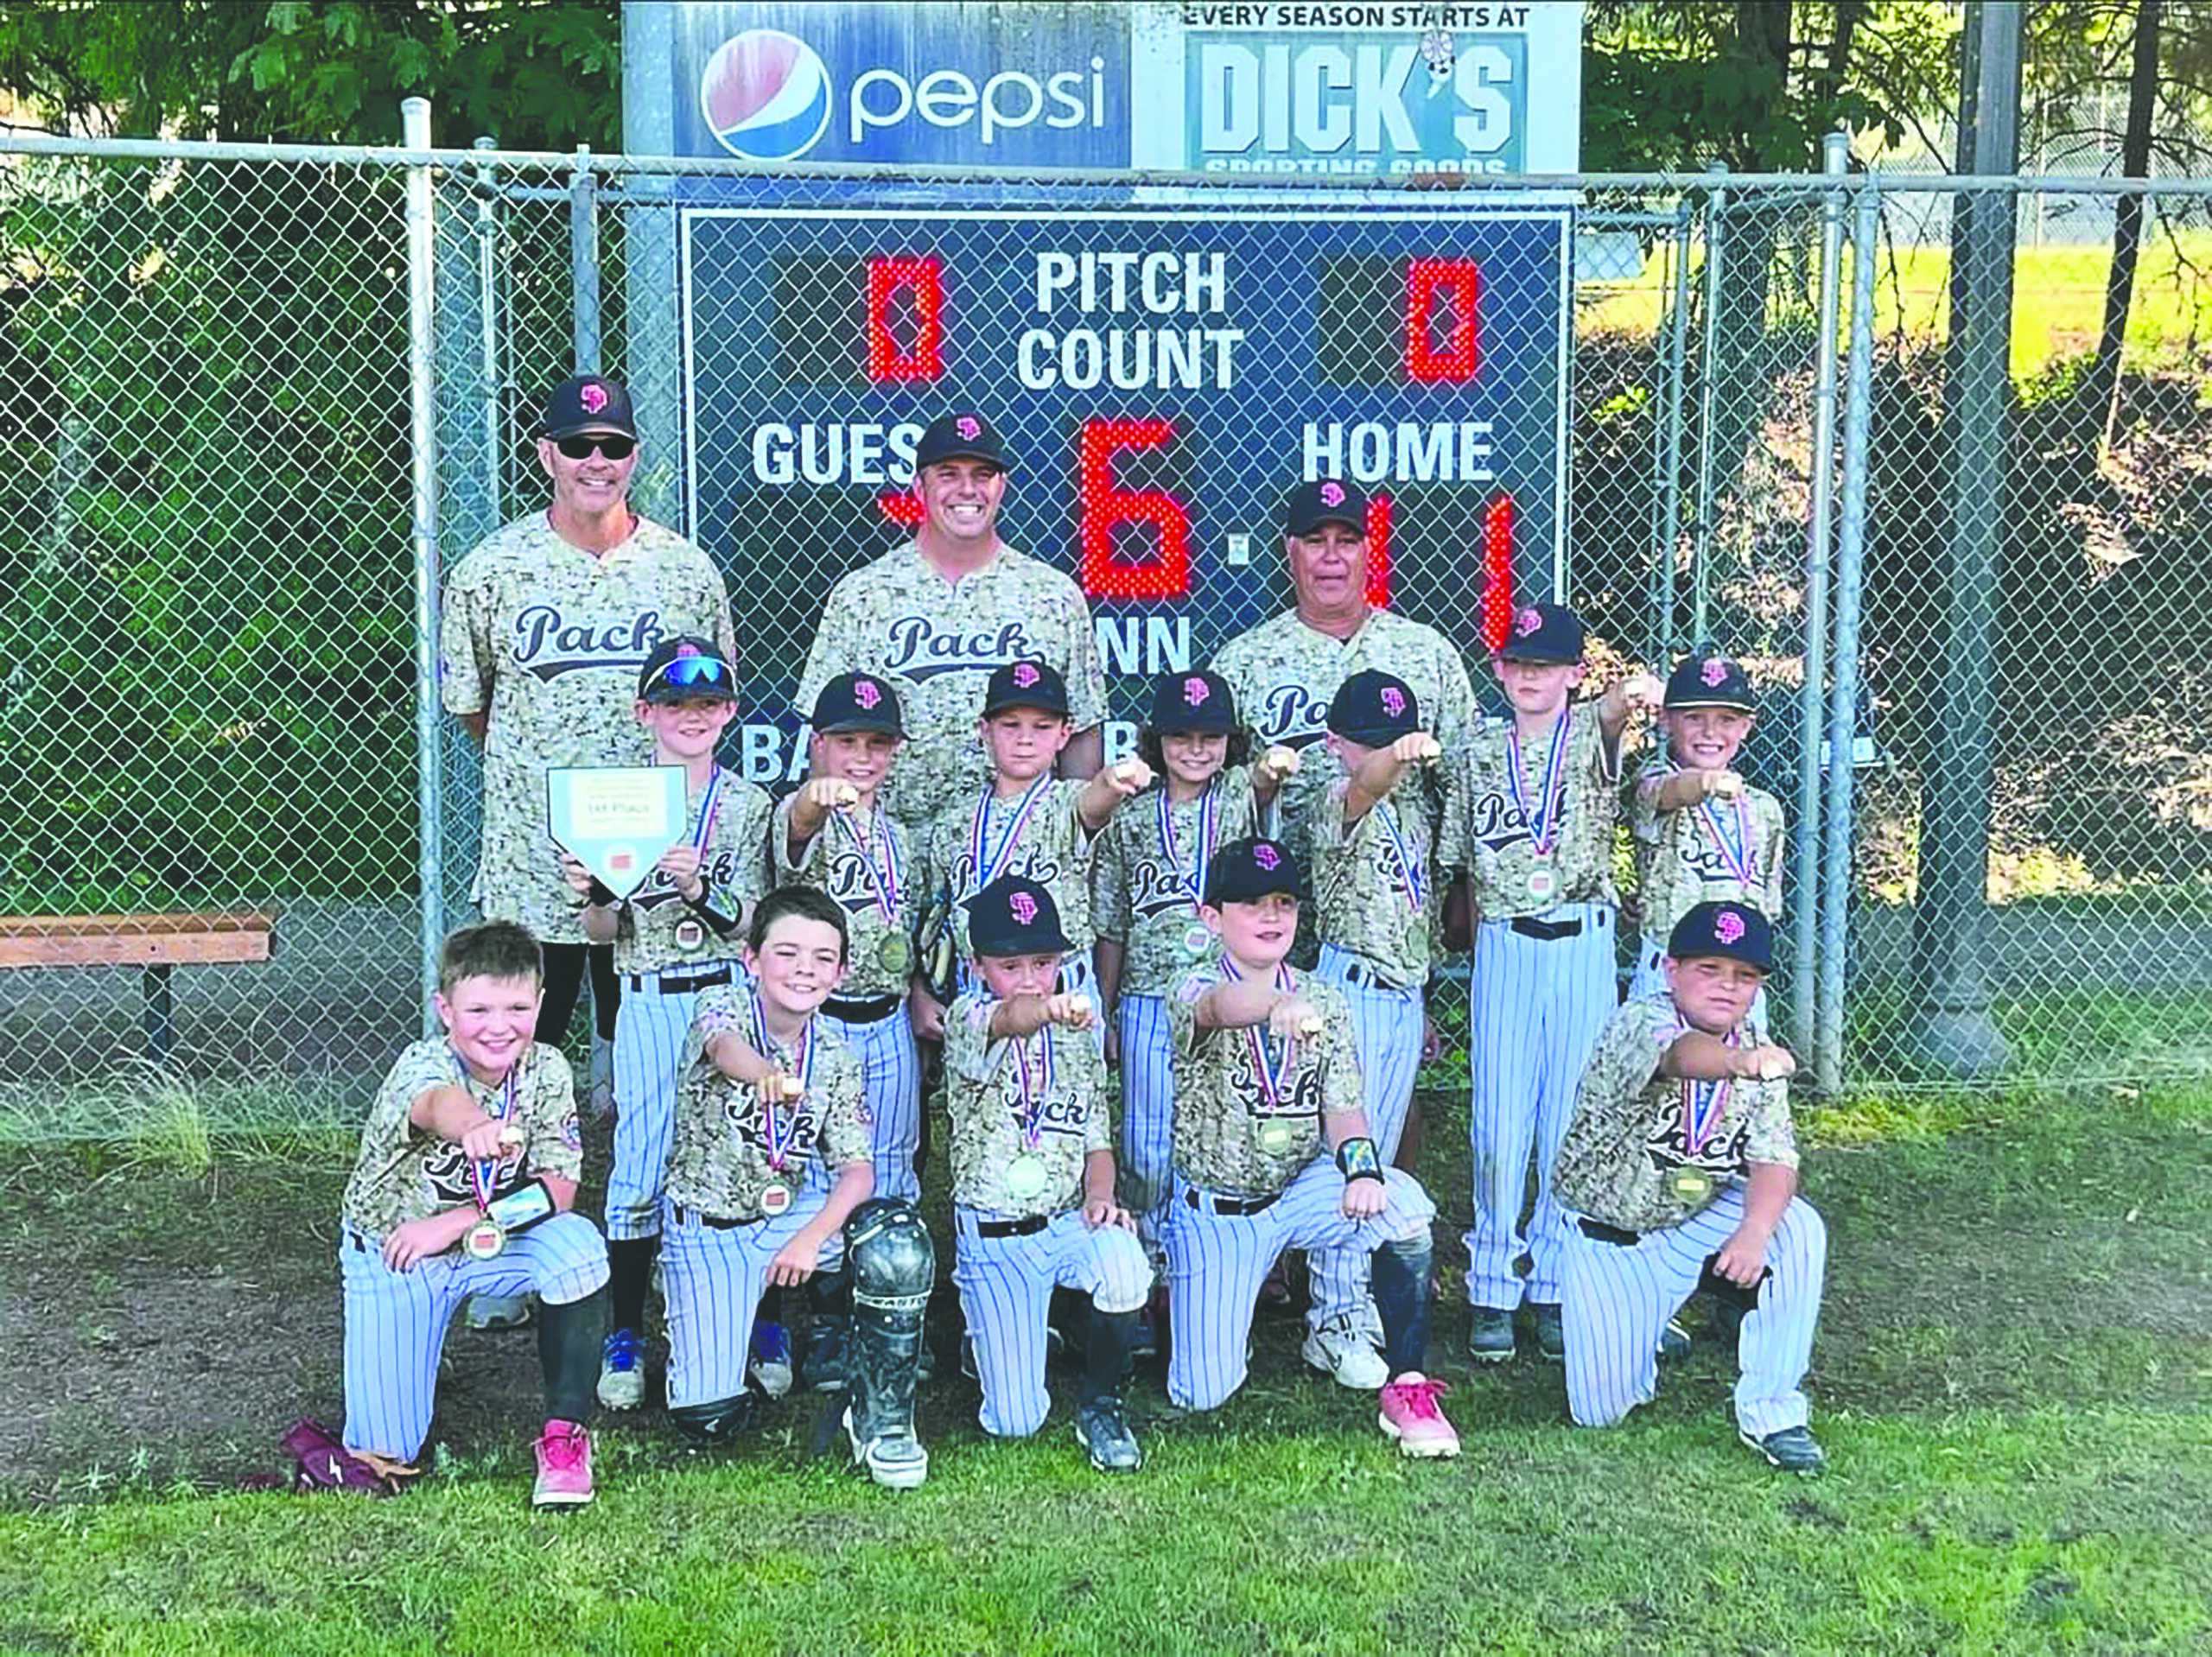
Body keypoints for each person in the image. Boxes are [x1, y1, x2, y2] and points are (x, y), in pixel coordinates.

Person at [441, 373, 734, 1330]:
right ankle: (505, 1249)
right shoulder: (492, 569)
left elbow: (708, 701)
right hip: (537, 869)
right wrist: (555, 799)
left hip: (657, 885)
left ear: (635, 458)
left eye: (612, 446)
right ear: (547, 457)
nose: (596, 463)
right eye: (579, 446)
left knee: (664, 1066)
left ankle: (671, 1236)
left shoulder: (684, 571)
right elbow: (474, 708)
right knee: (512, 1060)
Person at [1162, 837, 1459, 1458]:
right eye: (1250, 904)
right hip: (1220, 1209)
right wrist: (1276, 1004)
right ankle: (1222, 1316)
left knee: (1405, 1207)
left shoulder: (1325, 998)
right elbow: (1219, 1008)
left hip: (1298, 1188)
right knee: (1202, 1393)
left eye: (1284, 903)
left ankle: (1407, 1387)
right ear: (1212, 917)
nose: (1271, 917)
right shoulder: (1190, 984)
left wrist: (1362, 1169)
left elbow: (1344, 1108)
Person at [557, 637, 772, 1413]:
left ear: (730, 715)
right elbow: (599, 934)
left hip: (723, 989)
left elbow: (754, 925)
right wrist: (596, 892)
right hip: (646, 992)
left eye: (708, 704)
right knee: (643, 1157)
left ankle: (760, 1321)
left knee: (743, 1147)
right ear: (646, 713)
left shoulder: (747, 805)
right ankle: (626, 1332)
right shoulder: (614, 798)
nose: (693, 717)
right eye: (676, 704)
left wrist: (699, 884)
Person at [658, 887, 933, 1489]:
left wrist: (810, 1239)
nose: (804, 969)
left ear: (839, 973)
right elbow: (722, 1047)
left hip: (786, 1220)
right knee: (708, 1419)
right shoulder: (722, 1004)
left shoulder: (834, 1053)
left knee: (894, 1240)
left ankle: (880, 1410)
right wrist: (765, 1075)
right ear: (753, 959)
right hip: (711, 1229)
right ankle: (735, 1350)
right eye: (786, 953)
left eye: (821, 957)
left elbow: (858, 1169)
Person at [1451, 603, 1662, 1365]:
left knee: (1568, 1121)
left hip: (1581, 937)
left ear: (1575, 674)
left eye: (1547, 664)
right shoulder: (1478, 750)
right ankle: (1490, 1284)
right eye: (1517, 662)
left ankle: (1552, 1281)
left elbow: (1615, 712)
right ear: (1500, 670)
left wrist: (1633, 692)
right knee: (1501, 1127)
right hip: (1507, 939)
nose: (1530, 675)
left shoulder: (1593, 738)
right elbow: (1461, 866)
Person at [334, 921, 609, 1508]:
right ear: (445, 1008)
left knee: (578, 1245)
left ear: (540, 1004)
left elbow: (559, 1187)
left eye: (516, 1007)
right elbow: (438, 1104)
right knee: (387, 1454)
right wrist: (476, 1128)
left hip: (483, 1239)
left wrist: (461, 1221)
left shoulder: (548, 1068)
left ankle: (565, 1440)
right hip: (399, 1254)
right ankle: (409, 1364)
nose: (498, 1026)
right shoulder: (422, 1063)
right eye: (478, 1008)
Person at [1554, 902, 1827, 1474]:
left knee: (1796, 1227)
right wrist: (1742, 1062)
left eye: (1745, 976)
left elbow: (1775, 1158)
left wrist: (1754, 1232)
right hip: (1613, 1239)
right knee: (1602, 1413)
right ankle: (1647, 1325)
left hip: (1692, 1222)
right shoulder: (1641, 1020)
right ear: (1671, 970)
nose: (1727, 988)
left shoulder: (1755, 1041)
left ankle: (1774, 1413)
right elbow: (1684, 1056)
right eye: (1709, 969)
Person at [1092, 670, 1297, 1343]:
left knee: (1213, 1132)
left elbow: (1266, 780)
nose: (1196, 749)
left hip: (1223, 992)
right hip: (1152, 997)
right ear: (1157, 740)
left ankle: (1204, 1268)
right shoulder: (1131, 812)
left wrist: (1268, 767)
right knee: (1148, 1142)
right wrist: (1109, 1006)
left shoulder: (1238, 794)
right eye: (1181, 736)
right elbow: (1113, 920)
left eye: (1211, 737)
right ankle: (1149, 1273)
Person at [795, 412, 1108, 832]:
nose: (967, 489)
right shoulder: (863, 596)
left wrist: (1074, 840)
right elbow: (825, 739)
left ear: (1002, 487)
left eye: (983, 475)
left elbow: (1083, 735)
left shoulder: (1052, 597)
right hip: (891, 845)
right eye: (948, 474)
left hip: (1017, 846)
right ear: (919, 488)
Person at [944, 875, 1151, 1472]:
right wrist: (1047, 1007)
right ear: (979, 966)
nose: (1031, 977)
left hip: (1062, 1223)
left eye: (1044, 961)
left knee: (1123, 1262)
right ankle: (994, 1335)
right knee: (1016, 1422)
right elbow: (1013, 1017)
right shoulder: (968, 1016)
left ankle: (1101, 1404)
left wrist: (1101, 1196)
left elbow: (1096, 1139)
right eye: (1011, 964)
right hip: (995, 1238)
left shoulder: (1077, 1037)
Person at [1300, 670, 1443, 1388]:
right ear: (1337, 744)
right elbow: (1368, 786)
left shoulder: (1416, 810)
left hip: (1399, 994)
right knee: (1348, 1156)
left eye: (1397, 739)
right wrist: (1395, 756)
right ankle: (1334, 1320)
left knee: (1377, 1155)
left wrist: (1419, 1006)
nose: (1392, 755)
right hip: (1347, 989)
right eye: (1372, 743)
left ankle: (1351, 1300)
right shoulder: (1339, 797)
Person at [914, 661, 1150, 1040]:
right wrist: (921, 992)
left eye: (1042, 727)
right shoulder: (953, 823)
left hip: (1061, 993)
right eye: (1010, 725)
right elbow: (931, 925)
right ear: (984, 730)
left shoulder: (1065, 801)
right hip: (978, 996)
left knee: (1072, 1098)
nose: (1025, 738)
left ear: (1064, 735)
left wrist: (1114, 779)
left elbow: (1095, 801)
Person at [776, 673, 927, 1207]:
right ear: (818, 744)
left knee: (891, 1156)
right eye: (846, 742)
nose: (862, 757)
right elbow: (798, 827)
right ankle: (818, 1281)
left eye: (877, 743)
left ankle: (887, 1279)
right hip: (822, 1018)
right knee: (818, 1159)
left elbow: (913, 931)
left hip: (889, 1019)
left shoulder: (902, 837)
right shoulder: (804, 815)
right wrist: (813, 798)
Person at [1627, 651, 1786, 1015]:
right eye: (1694, 718)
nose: (1710, 733)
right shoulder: (1652, 781)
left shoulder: (1764, 809)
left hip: (1738, 973)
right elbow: (1673, 792)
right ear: (1667, 721)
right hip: (1669, 969)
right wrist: (1708, 782)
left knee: (1741, 1067)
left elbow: (1767, 905)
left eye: (1727, 719)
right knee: (1665, 1067)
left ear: (1747, 726)